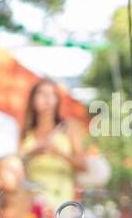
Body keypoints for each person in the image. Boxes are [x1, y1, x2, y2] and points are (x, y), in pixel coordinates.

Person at [18, 77, 87, 208]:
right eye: (42, 93)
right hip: (31, 203)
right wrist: (31, 154)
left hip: (60, 203)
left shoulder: (69, 126)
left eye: (52, 94)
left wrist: (59, 153)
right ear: (33, 99)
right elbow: (16, 164)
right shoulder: (26, 131)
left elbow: (83, 165)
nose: (47, 98)